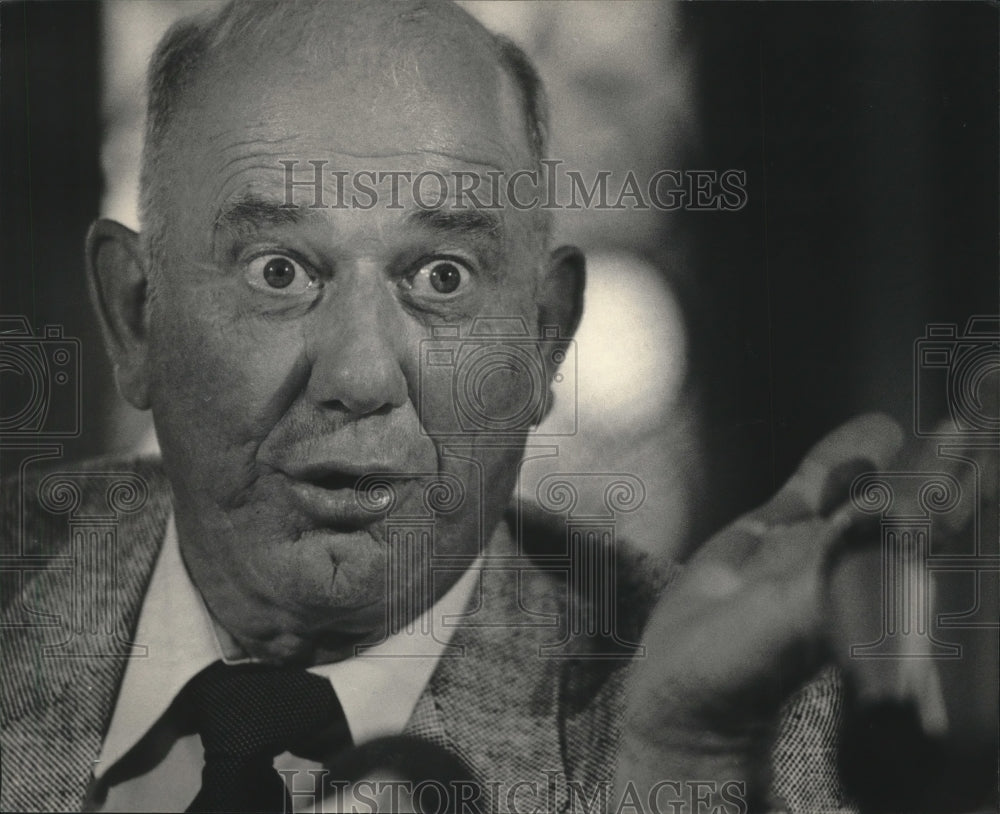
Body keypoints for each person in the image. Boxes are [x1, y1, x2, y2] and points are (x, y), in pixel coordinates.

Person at [2, 1, 989, 812]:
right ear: (136, 316)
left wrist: (671, 774)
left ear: (544, 336)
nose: (358, 376)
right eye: (279, 270)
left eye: (440, 277)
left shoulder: (765, 751)